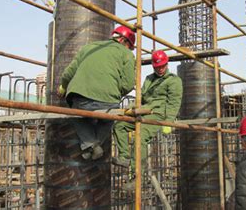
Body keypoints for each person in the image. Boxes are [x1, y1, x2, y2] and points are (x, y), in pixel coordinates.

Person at [58, 25, 136, 160]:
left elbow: (68, 73)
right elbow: (128, 84)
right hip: (108, 101)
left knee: (77, 115)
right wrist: (114, 92)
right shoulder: (127, 54)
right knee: (108, 119)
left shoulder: (89, 47)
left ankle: (90, 145)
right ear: (124, 41)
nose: (129, 49)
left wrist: (63, 86)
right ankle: (94, 144)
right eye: (130, 46)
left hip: (80, 98)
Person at [112, 50, 182, 172]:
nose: (160, 69)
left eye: (162, 66)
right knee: (119, 125)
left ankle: (137, 173)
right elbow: (141, 97)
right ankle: (124, 157)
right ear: (153, 66)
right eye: (157, 67)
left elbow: (174, 102)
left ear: (167, 64)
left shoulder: (173, 80)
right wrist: (130, 108)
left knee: (140, 135)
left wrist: (169, 122)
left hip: (158, 114)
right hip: (144, 112)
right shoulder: (149, 79)